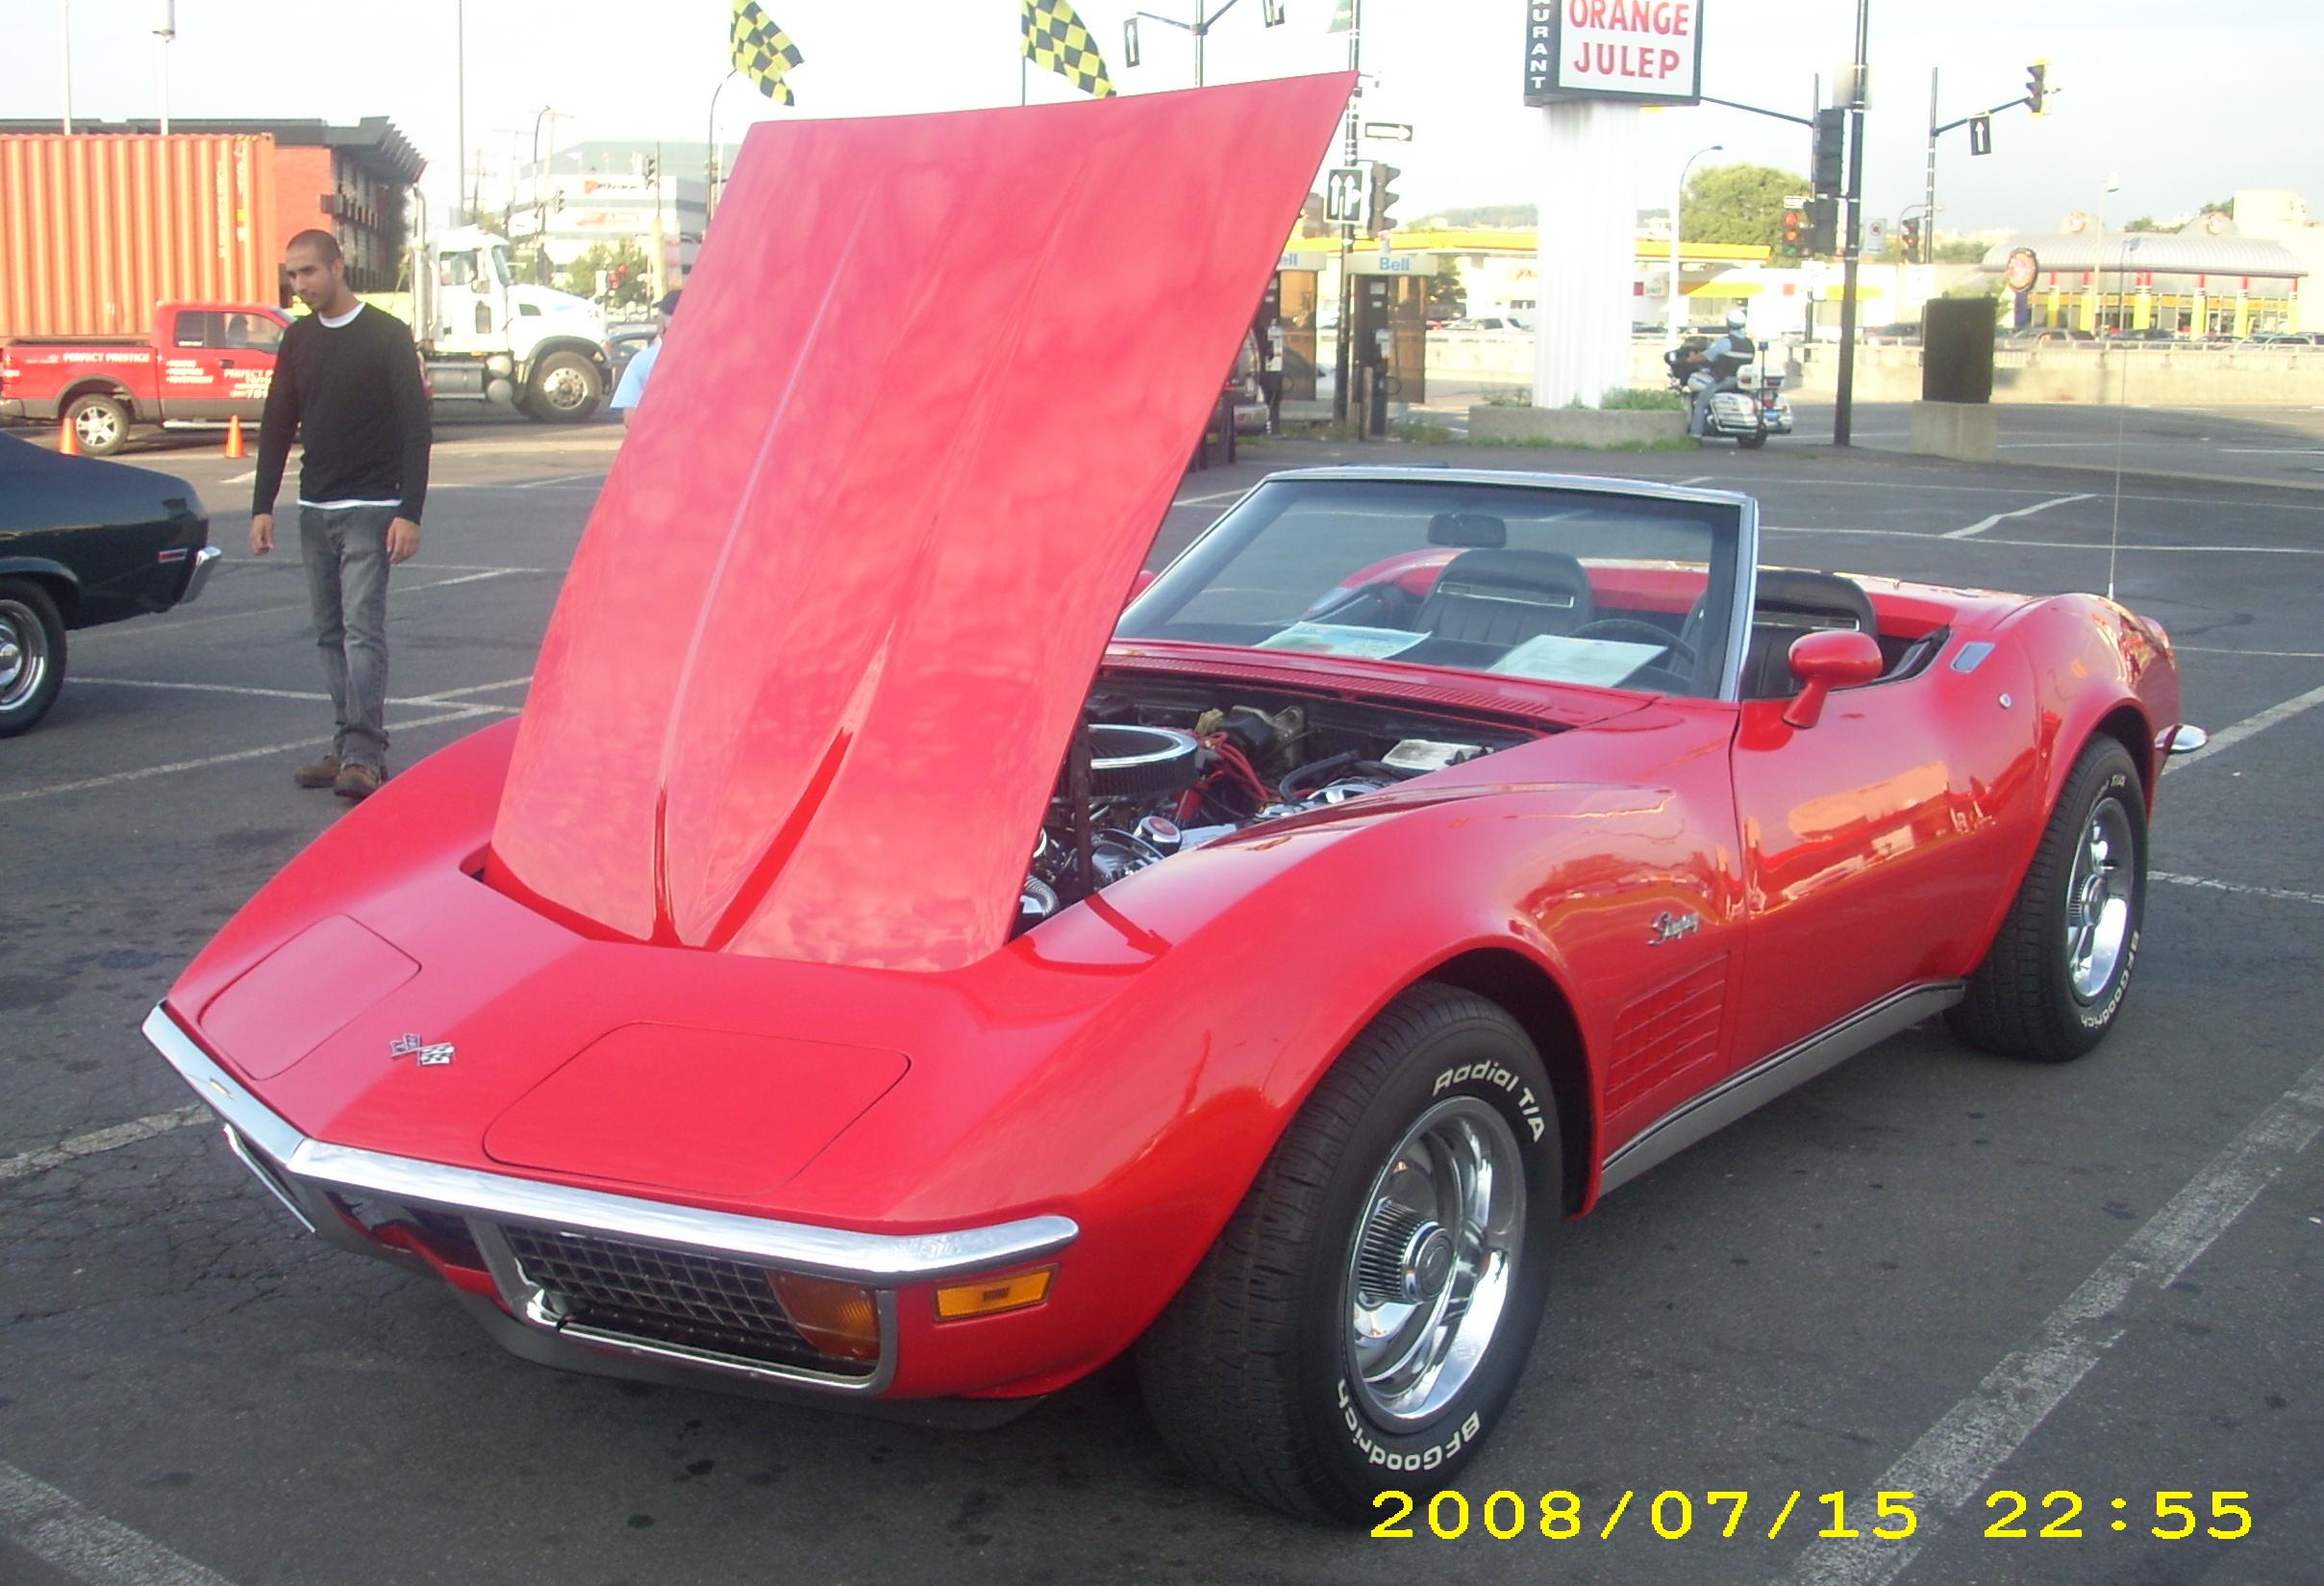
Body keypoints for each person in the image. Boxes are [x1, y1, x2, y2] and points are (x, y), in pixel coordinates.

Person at [248, 229, 432, 802]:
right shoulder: (299, 339)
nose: (299, 286)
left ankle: (364, 755)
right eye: (292, 276)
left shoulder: (385, 334)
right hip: (314, 507)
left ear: (337, 267)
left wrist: (410, 511)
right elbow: (278, 423)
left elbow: (415, 428)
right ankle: (344, 743)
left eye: (307, 273)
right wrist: (262, 505)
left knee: (361, 631)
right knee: (330, 633)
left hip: (371, 508)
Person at [1681, 310, 1756, 439]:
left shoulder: (1726, 342)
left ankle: (1695, 435)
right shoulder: (1749, 344)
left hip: (1725, 379)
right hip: (1741, 380)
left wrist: (1686, 360)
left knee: (1700, 403)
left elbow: (1705, 356)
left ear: (1728, 324)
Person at [610, 290, 682, 423]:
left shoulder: (643, 361)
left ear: (662, 326)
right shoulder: (711, 361)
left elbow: (630, 419)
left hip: (658, 441)